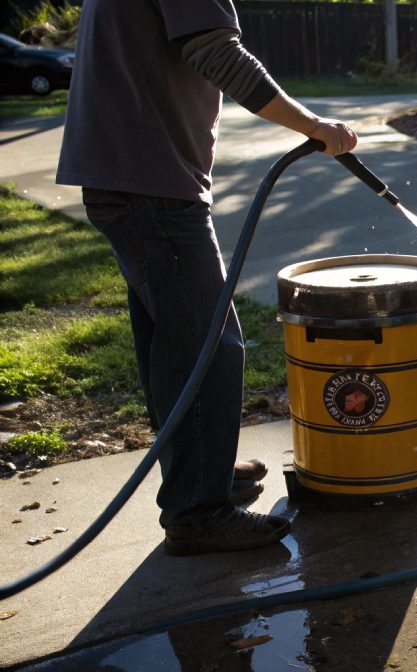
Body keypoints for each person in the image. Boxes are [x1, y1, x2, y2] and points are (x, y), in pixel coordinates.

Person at [56, 0, 357, 555]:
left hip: (127, 171)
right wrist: (311, 125)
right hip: (151, 178)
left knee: (171, 339)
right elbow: (216, 52)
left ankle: (201, 470)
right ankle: (198, 510)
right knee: (207, 343)